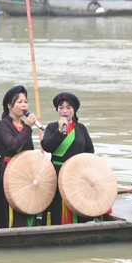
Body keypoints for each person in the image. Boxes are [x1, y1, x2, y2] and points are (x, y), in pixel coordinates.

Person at [41, 93, 95, 225]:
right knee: (57, 203)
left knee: (77, 200)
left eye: (68, 107)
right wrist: (59, 131)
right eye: (61, 107)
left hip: (76, 173)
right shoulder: (52, 127)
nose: (64, 111)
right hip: (57, 171)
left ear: (74, 109)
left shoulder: (81, 128)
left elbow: (90, 151)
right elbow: (46, 146)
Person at [0, 86, 39, 228]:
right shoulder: (3, 125)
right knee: (10, 207)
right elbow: (13, 146)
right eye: (19, 102)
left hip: (24, 171)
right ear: (9, 105)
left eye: (25, 102)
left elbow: (29, 150)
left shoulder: (24, 125)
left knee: (25, 204)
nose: (24, 105)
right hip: (8, 170)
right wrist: (27, 127)